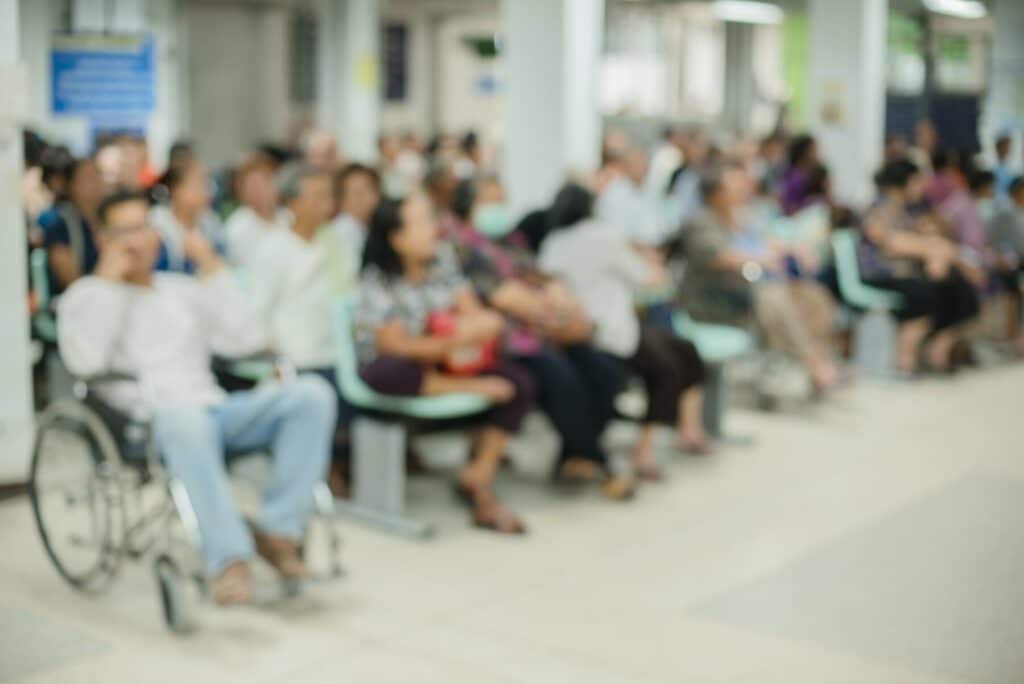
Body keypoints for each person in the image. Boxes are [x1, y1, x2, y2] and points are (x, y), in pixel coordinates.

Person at [57, 189, 336, 604]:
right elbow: (85, 361)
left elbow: (248, 338)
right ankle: (229, 560)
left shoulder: (180, 289)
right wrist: (107, 284)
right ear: (103, 240)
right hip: (151, 421)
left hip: (214, 408)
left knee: (312, 395)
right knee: (183, 417)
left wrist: (212, 268)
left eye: (143, 227)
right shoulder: (86, 296)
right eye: (124, 232)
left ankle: (279, 531)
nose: (137, 241)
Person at [355, 193, 535, 534]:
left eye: (430, 219)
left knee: (520, 381)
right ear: (397, 238)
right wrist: (455, 342)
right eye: (421, 223)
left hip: (445, 360)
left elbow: (473, 312)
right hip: (408, 364)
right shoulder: (376, 280)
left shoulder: (442, 261)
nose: (433, 229)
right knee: (392, 370)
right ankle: (467, 393)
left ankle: (479, 474)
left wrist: (477, 326)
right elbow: (395, 345)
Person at [447, 176, 636, 498]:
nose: (496, 208)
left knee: (603, 371)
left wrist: (555, 298)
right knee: (561, 378)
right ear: (467, 208)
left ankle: (574, 454)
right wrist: (550, 309)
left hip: (544, 332)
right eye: (487, 201)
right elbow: (504, 297)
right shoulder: (461, 248)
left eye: (500, 199)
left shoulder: (510, 242)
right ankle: (598, 460)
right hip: (507, 343)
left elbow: (546, 277)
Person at [541, 183, 710, 480]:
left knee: (682, 349)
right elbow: (648, 279)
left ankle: (686, 429)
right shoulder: (604, 237)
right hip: (610, 334)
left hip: (578, 333)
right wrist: (649, 259)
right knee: (668, 368)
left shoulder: (552, 242)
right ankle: (645, 449)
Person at [682, 163, 840, 392]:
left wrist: (793, 249)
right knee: (773, 298)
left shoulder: (738, 219)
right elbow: (720, 257)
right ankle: (811, 363)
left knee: (812, 296)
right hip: (716, 298)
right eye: (734, 186)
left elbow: (764, 241)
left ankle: (822, 357)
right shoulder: (701, 221)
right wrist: (761, 260)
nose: (742, 189)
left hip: (747, 291)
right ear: (717, 193)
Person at [860, 160, 980, 373]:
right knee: (927, 295)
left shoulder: (906, 211)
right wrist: (934, 249)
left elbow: (925, 238)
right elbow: (891, 244)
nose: (922, 187)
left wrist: (938, 250)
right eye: (917, 182)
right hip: (882, 275)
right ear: (902, 183)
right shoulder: (879, 208)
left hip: (905, 274)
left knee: (960, 291)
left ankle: (937, 350)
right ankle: (905, 359)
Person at [37, 158, 105, 293]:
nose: (96, 183)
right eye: (88, 178)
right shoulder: (59, 226)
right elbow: (73, 285)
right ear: (70, 185)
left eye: (98, 174)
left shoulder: (110, 221)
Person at [149, 159, 226, 273]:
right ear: (175, 190)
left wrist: (206, 258)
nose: (204, 190)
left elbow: (222, 265)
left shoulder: (211, 222)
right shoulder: (156, 224)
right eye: (196, 184)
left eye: (206, 183)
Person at [224, 152, 291, 269]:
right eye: (252, 186)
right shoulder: (236, 227)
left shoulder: (289, 217)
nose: (258, 192)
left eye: (263, 184)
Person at [327, 163, 382, 269]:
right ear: (341, 200)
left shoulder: (376, 226)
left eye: (370, 190)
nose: (367, 198)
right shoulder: (341, 232)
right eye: (357, 193)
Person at [779, 135, 820, 215]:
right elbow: (789, 208)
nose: (817, 154)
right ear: (804, 152)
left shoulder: (813, 174)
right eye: (813, 150)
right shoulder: (795, 177)